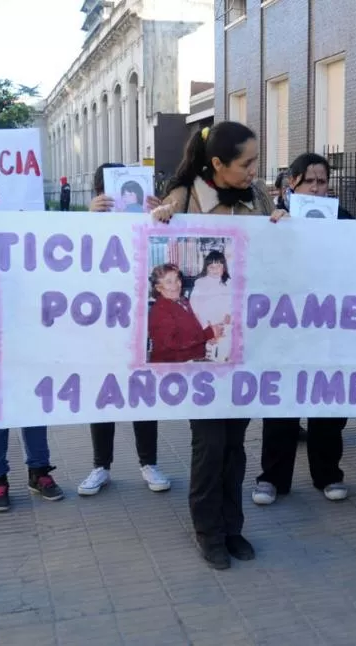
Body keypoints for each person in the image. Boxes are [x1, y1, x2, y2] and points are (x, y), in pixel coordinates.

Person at [151, 121, 287, 569]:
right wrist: (158, 220)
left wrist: (283, 225)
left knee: (234, 443)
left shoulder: (259, 197)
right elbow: (142, 238)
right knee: (208, 444)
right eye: (246, 163)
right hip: (204, 351)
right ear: (216, 164)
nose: (254, 170)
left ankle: (233, 528)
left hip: (246, 342)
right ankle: (208, 531)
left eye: (255, 161)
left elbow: (279, 258)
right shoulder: (184, 197)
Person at [252, 153, 350, 507]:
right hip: (285, 329)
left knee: (328, 406)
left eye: (323, 181)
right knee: (282, 405)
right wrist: (278, 228)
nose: (318, 188)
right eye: (311, 181)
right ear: (291, 183)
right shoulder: (274, 219)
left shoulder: (344, 219)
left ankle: (329, 475)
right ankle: (272, 478)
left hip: (328, 328)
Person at [80, 162, 170, 496]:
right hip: (103, 321)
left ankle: (149, 462)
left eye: (130, 192)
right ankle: (100, 465)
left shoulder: (147, 217)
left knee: (142, 392)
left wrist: (160, 216)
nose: (124, 197)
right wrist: (91, 219)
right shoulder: (88, 221)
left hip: (138, 317)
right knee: (103, 394)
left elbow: (163, 254)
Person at [148, 263, 225, 362]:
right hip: (172, 367)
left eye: (177, 280)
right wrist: (208, 333)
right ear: (158, 288)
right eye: (169, 282)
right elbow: (174, 342)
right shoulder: (160, 310)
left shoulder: (183, 300)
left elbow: (190, 332)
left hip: (191, 360)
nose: (175, 285)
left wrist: (206, 339)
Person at [191, 250, 234, 362]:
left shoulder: (228, 283)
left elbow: (234, 301)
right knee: (208, 355)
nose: (215, 270)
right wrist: (206, 326)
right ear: (206, 268)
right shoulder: (200, 283)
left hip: (224, 324)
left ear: (224, 267)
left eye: (218, 266)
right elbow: (194, 306)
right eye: (211, 267)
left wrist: (230, 313)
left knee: (224, 354)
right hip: (206, 323)